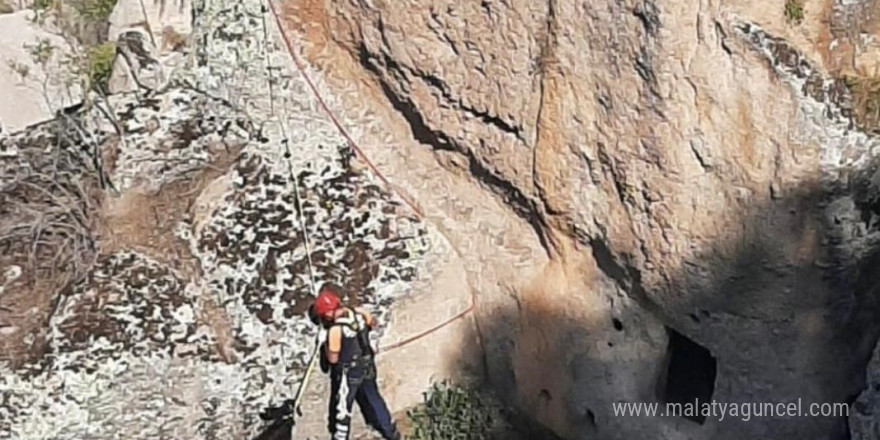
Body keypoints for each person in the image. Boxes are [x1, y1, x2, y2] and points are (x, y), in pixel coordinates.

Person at [309, 283, 401, 440]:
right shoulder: (360, 313)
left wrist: (324, 344)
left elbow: (333, 359)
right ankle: (391, 433)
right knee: (374, 397)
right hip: (367, 364)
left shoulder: (335, 331)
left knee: (343, 408)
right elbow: (373, 324)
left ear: (326, 315)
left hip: (348, 373)